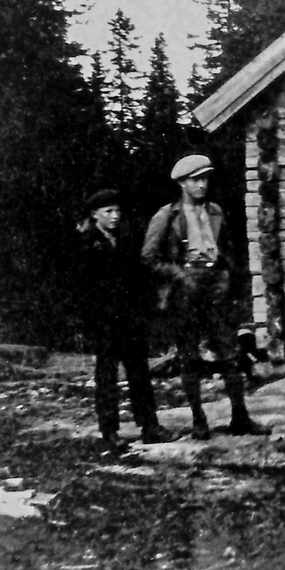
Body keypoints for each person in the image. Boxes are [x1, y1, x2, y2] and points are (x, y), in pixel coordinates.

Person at [141, 155, 270, 440]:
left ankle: (240, 417)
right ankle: (199, 421)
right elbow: (148, 258)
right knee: (189, 356)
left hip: (215, 285)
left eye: (205, 179)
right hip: (186, 288)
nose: (202, 185)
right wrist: (178, 275)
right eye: (195, 180)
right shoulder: (167, 216)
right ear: (182, 184)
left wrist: (225, 274)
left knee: (229, 352)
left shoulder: (215, 212)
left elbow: (227, 249)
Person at [77, 189, 175, 451]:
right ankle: (109, 431)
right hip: (105, 321)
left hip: (130, 318)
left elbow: (138, 279)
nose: (114, 217)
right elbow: (83, 290)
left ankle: (149, 426)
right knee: (107, 376)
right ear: (94, 214)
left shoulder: (126, 241)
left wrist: (144, 309)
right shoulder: (87, 245)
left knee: (139, 372)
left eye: (117, 211)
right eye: (108, 212)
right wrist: (91, 321)